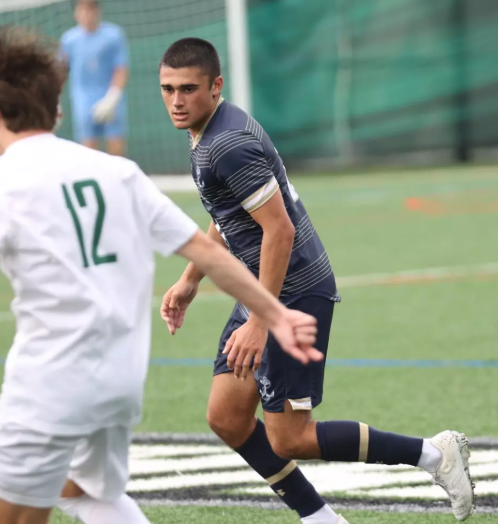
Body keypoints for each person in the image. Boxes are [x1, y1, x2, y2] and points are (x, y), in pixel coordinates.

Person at [0, 26, 322, 524]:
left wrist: (268, 319)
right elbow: (206, 251)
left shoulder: (10, 182)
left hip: (50, 378)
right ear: (56, 109)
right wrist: (275, 315)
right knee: (87, 492)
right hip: (119, 378)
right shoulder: (117, 172)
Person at [159, 37, 475, 524]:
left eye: (188, 89)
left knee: (291, 437)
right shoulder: (206, 131)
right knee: (227, 417)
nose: (176, 101)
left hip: (293, 294)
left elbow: (279, 230)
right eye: (168, 89)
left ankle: (434, 454)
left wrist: (262, 320)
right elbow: (228, 213)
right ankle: (321, 519)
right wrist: (190, 279)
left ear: (216, 86)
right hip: (262, 290)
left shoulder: (227, 145)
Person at [61, 0, 128, 156]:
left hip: (109, 99)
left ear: (97, 11)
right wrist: (55, 100)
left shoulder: (114, 35)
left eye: (90, 9)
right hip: (83, 100)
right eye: (82, 10)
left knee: (116, 151)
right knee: (88, 151)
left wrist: (112, 97)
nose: (86, 14)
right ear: (76, 13)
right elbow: (61, 71)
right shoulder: (69, 40)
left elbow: (121, 69)